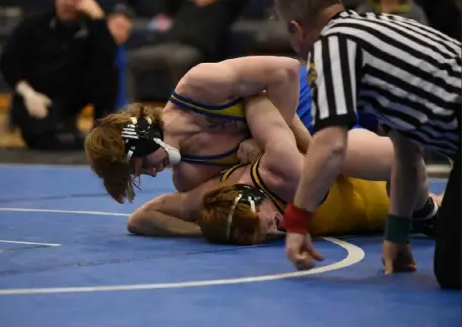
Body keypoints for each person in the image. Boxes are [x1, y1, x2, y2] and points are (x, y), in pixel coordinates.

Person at [274, 0, 460, 289]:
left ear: (296, 28)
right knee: (451, 262)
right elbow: (406, 150)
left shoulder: (332, 45)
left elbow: (331, 144)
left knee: (454, 269)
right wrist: (397, 234)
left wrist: (297, 220)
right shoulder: (380, 30)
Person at [127, 94, 439, 246]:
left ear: (254, 197)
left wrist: (255, 136)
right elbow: (140, 218)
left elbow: (258, 96)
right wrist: (202, 232)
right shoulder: (210, 197)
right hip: (361, 210)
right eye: (262, 236)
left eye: (265, 225)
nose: (276, 230)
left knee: (343, 152)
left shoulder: (279, 170)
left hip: (331, 141)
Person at [85, 55, 305, 203]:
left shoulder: (200, 86)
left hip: (304, 97)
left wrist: (264, 140)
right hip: (301, 152)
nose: (153, 173)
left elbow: (287, 70)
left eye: (143, 165)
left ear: (142, 135)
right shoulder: (189, 178)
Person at [0, 0, 123, 150]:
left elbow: (109, 57)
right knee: (43, 140)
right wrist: (28, 95)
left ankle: (101, 134)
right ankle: (65, 132)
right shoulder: (32, 26)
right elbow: (7, 63)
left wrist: (98, 18)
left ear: (84, 0)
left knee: (110, 72)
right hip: (37, 97)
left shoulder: (90, 27)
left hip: (72, 93)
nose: (69, 3)